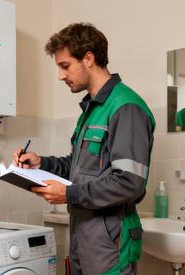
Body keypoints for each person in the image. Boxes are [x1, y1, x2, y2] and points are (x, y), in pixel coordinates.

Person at [12, 23, 155, 275]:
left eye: (65, 66)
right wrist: (40, 163)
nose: (61, 76)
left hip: (110, 242)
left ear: (88, 58)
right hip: (83, 236)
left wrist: (68, 194)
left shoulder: (126, 107)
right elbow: (78, 168)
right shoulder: (92, 109)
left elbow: (129, 183)